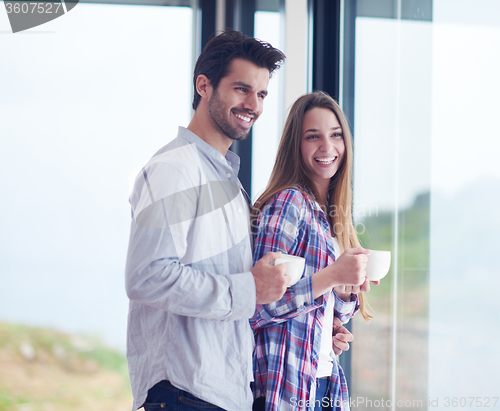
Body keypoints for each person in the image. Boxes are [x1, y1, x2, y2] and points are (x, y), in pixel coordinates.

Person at [125, 30, 288, 411]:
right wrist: (248, 289)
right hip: (183, 393)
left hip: (223, 394)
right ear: (204, 85)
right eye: (241, 89)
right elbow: (147, 277)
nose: (253, 105)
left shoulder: (228, 181)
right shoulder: (173, 169)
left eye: (261, 94)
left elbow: (242, 296)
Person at [250, 91, 377, 411]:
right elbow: (258, 306)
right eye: (313, 137)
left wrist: (346, 296)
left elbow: (326, 307)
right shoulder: (288, 203)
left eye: (336, 135)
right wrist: (333, 275)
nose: (327, 147)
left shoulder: (332, 215)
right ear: (296, 145)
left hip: (321, 380)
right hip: (286, 386)